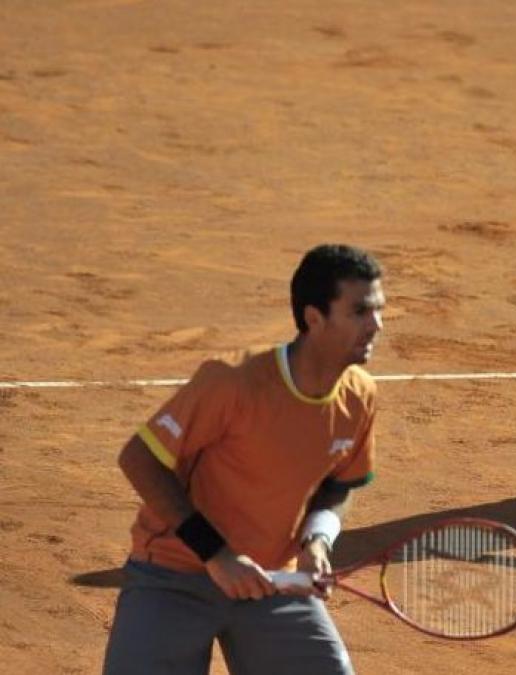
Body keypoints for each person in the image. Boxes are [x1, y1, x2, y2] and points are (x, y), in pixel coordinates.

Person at [103, 244, 386, 674]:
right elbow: (140, 458)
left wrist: (317, 539)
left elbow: (340, 482)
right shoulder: (233, 382)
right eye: (360, 312)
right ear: (314, 319)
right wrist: (217, 556)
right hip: (173, 578)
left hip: (271, 583)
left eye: (379, 310)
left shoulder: (360, 396)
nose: (376, 325)